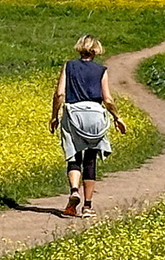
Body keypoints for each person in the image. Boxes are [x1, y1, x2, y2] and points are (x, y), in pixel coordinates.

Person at [49, 35, 127, 217]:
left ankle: (74, 191)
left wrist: (54, 116)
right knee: (90, 159)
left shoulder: (69, 66)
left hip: (74, 114)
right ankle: (87, 207)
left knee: (74, 156)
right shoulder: (101, 70)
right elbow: (108, 99)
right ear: (96, 51)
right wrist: (117, 118)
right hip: (95, 114)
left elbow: (59, 94)